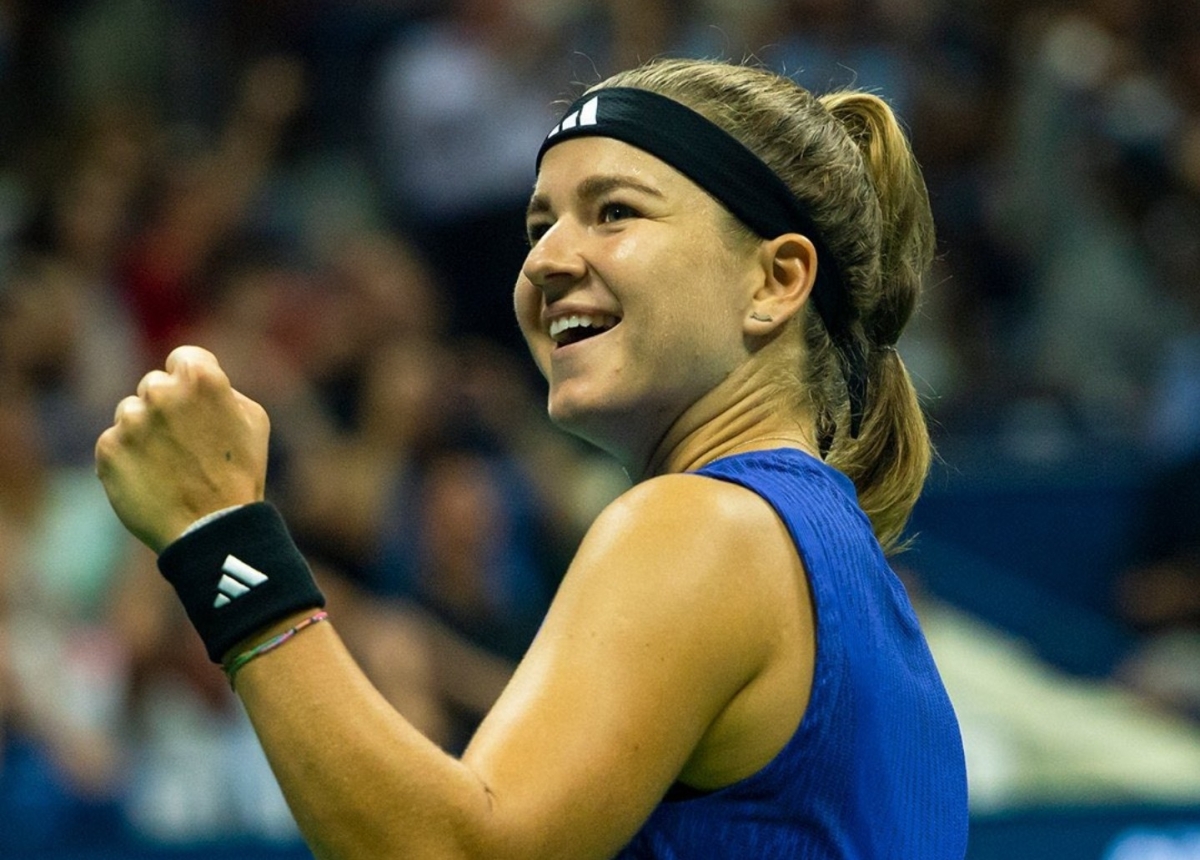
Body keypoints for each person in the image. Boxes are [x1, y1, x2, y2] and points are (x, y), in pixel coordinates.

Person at [94, 57, 968, 858]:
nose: (544, 261)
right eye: (540, 224)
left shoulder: (705, 527)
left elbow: (457, 852)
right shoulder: (844, 574)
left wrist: (222, 534)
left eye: (614, 211)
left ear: (775, 281)